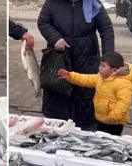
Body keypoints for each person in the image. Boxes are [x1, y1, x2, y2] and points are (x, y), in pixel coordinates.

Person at [37, 0, 115, 131]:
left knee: (86, 102)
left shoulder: (93, 3)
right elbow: (43, 22)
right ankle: (55, 127)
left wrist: (109, 60)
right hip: (58, 60)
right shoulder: (52, 3)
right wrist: (55, 38)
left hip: (87, 62)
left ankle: (87, 130)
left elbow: (106, 30)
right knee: (57, 99)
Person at [58, 52, 132, 136]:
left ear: (114, 70)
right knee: (100, 138)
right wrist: (70, 76)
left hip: (114, 122)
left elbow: (124, 103)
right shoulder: (100, 77)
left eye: (103, 66)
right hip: (101, 118)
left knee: (111, 141)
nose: (99, 68)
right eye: (100, 65)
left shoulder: (123, 83)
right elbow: (87, 79)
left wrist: (114, 116)